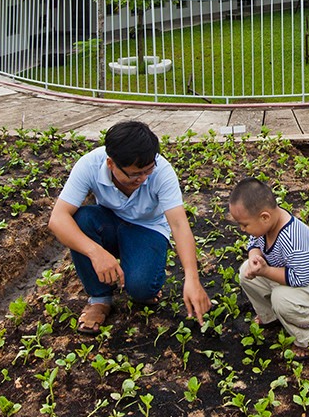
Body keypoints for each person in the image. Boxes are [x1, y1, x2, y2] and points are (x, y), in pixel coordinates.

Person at [50, 120, 210, 332]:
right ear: (111, 164)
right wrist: (96, 252)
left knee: (141, 290)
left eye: (147, 171)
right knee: (82, 219)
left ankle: (142, 274)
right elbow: (57, 219)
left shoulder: (162, 172)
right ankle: (99, 298)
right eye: (134, 174)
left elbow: (180, 225)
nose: (142, 179)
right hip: (109, 222)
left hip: (147, 229)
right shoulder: (89, 165)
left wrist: (192, 278)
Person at [230, 177, 309, 350]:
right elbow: (253, 242)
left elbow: (301, 278)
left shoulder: (292, 239)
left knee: (282, 299)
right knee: (246, 272)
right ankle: (271, 316)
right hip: (292, 275)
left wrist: (266, 271)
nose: (242, 229)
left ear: (264, 217)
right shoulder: (265, 225)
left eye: (244, 225)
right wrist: (254, 256)